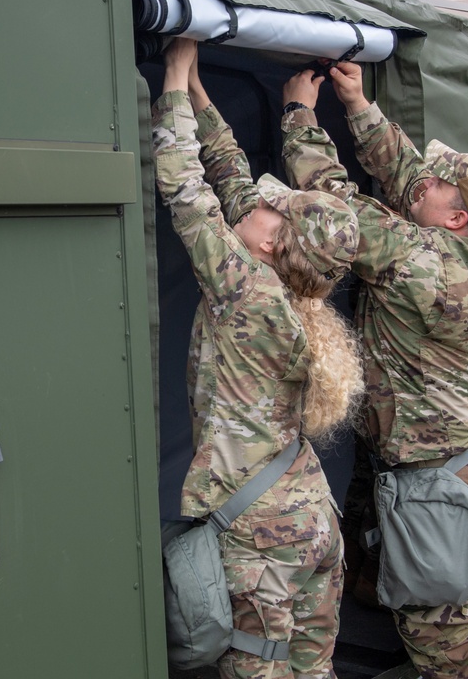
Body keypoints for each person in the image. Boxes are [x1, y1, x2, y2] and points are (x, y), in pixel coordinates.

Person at [280, 61, 468, 679]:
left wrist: (298, 116)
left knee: (457, 661)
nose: (427, 178)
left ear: (456, 218)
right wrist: (358, 103)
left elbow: (334, 211)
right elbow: (415, 180)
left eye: (445, 183)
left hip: (437, 492)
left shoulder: (416, 258)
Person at [154, 37, 364, 679]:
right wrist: (194, 86)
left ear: (274, 243)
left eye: (277, 209)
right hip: (307, 516)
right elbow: (228, 173)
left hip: (263, 534)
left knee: (262, 668)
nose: (264, 202)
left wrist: (170, 75)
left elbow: (184, 185)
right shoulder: (290, 287)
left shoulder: (248, 292)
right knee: (313, 667)